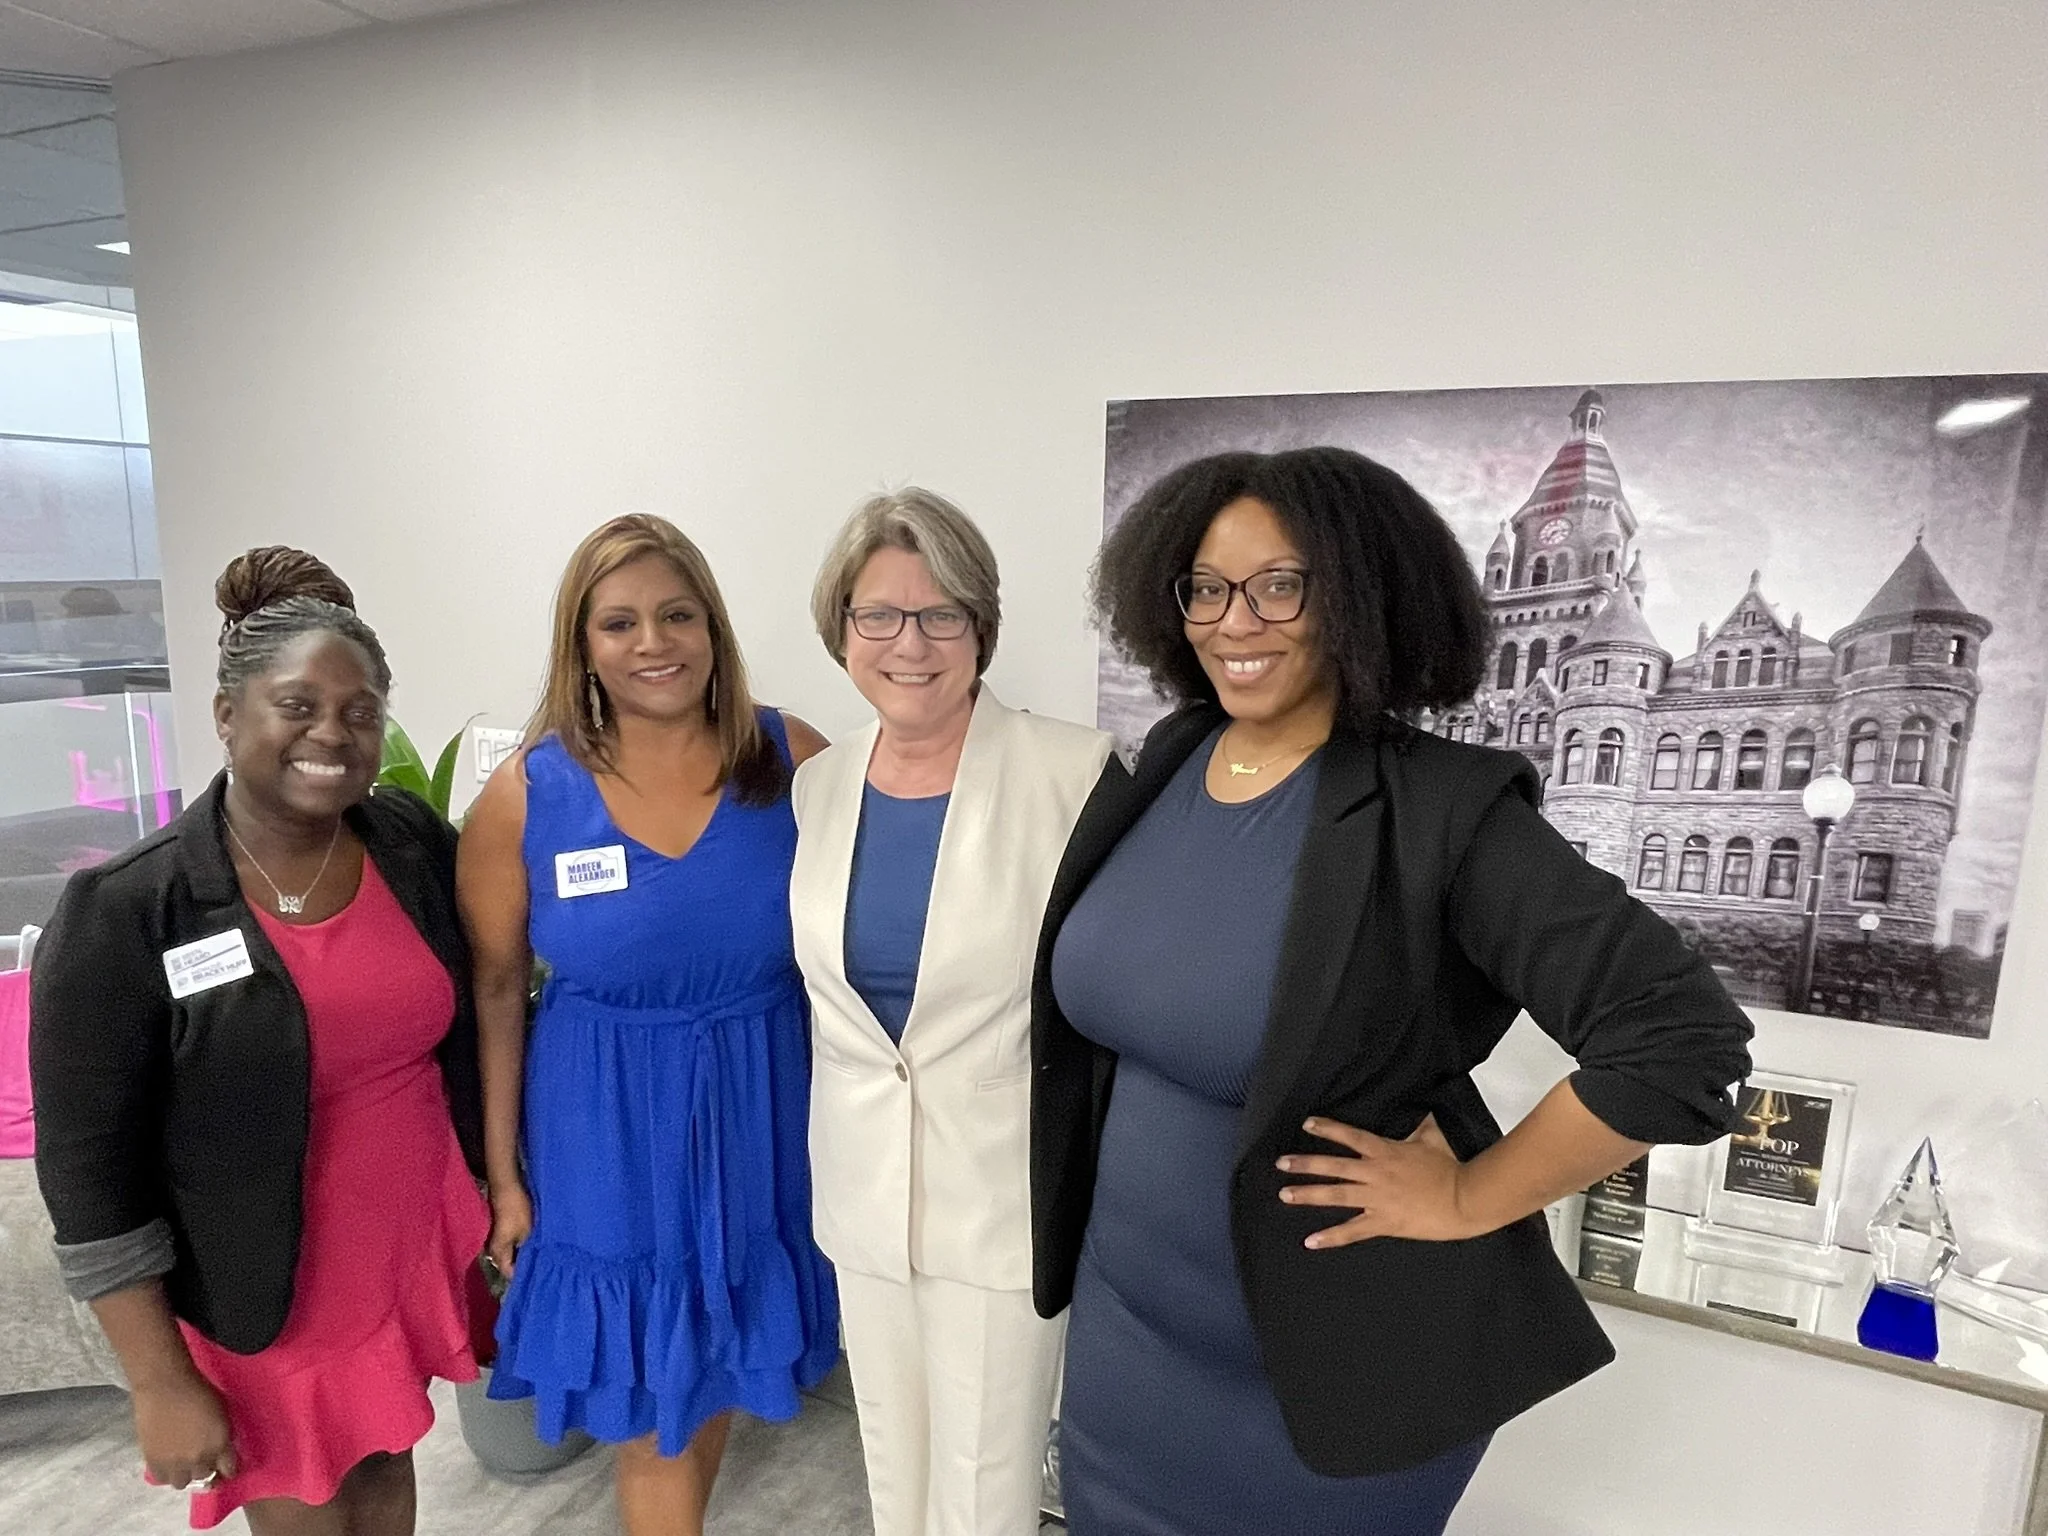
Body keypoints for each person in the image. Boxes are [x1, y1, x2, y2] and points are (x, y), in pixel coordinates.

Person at [1031, 448, 1756, 1535]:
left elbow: (1681, 1044)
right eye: (1207, 586)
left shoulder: (1444, 812)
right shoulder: (1176, 755)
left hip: (1326, 1379)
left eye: (1282, 585)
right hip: (1127, 1342)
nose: (1237, 621)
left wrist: (1470, 1194)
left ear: (1363, 598)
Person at [30, 547, 489, 1535]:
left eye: (361, 711)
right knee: (307, 1510)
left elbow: (473, 1015)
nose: (334, 731)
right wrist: (157, 1382)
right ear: (228, 714)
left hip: (393, 1260)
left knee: (381, 1479)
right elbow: (86, 1174)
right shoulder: (127, 911)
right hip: (260, 1297)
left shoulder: (407, 842)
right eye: (298, 705)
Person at [459, 513, 839, 1536]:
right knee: (648, 1404)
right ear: (579, 643)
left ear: (711, 627)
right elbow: (495, 992)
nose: (652, 642)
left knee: (706, 1365)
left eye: (676, 615)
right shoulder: (526, 795)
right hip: (603, 1122)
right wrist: (502, 1176)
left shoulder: (790, 757)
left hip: (760, 1102)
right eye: (618, 622)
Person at [789, 489, 1118, 1536]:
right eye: (877, 615)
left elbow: (1114, 994)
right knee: (892, 1461)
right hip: (859, 1192)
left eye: (942, 616)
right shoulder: (819, 785)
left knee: (985, 1487)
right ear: (840, 628)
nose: (910, 643)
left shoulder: (1074, 774)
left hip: (1000, 1197)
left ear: (981, 629)